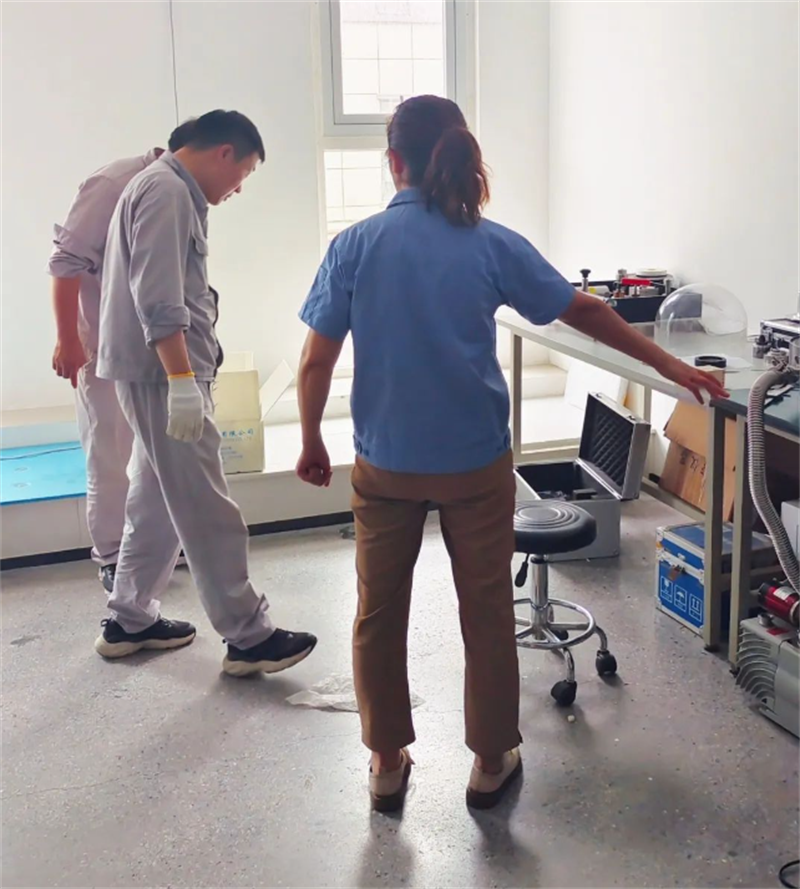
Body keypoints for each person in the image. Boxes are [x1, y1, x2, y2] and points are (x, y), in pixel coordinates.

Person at [295, 95, 728, 811]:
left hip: (388, 463)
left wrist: (312, 437)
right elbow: (585, 308)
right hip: (474, 462)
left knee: (378, 611)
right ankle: (491, 758)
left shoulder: (355, 245)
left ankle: (385, 759)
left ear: (394, 162)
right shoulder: (489, 242)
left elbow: (317, 359)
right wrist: (671, 368)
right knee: (488, 608)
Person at [95, 109, 317, 674]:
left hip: (153, 374)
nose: (238, 188)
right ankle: (248, 635)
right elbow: (159, 298)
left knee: (155, 502)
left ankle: (130, 619)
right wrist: (181, 382)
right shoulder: (167, 191)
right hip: (162, 377)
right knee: (206, 505)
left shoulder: (160, 187)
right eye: (243, 173)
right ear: (224, 152)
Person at [49, 121, 196, 592]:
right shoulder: (114, 184)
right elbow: (65, 263)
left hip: (149, 345)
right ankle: (113, 555)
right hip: (102, 344)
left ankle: (149, 550)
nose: (235, 189)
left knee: (153, 454)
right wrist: (68, 339)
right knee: (109, 452)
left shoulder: (181, 192)